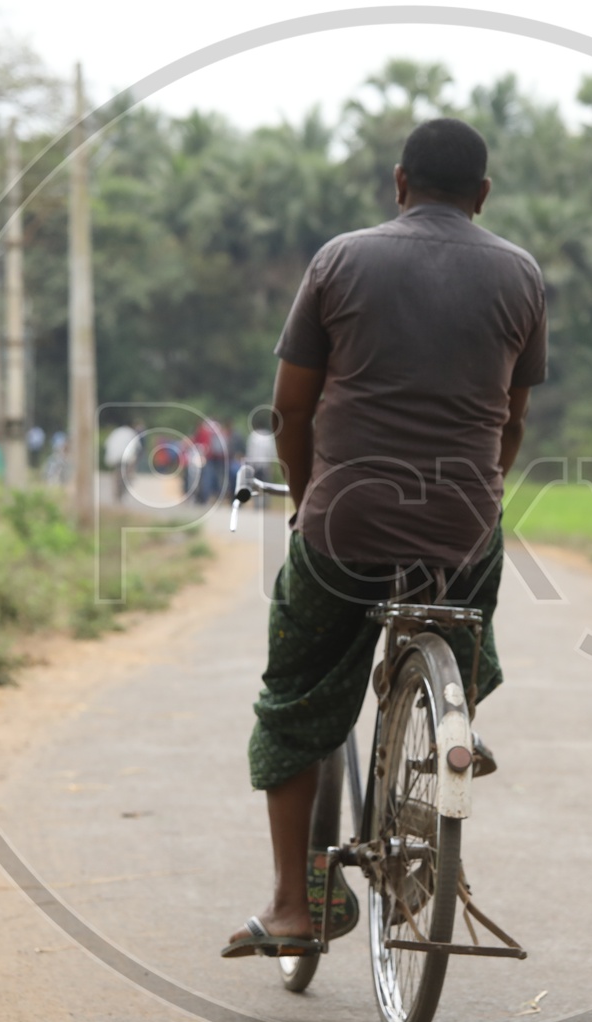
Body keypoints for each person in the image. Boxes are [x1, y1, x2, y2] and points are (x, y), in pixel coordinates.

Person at [223, 117, 546, 958]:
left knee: (295, 699)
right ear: (482, 195)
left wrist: (305, 499)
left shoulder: (340, 260)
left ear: (399, 183)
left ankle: (298, 905)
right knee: (466, 619)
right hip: (462, 532)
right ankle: (451, 718)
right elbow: (511, 421)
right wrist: (480, 492)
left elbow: (291, 408)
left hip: (345, 523)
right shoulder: (520, 275)